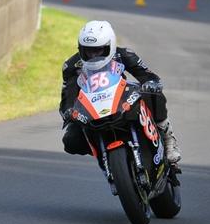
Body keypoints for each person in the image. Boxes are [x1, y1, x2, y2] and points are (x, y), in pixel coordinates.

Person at [59, 20, 181, 164]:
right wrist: (68, 112)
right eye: (88, 50)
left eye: (98, 50)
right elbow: (67, 96)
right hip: (90, 109)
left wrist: (151, 84)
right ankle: (103, 154)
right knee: (71, 141)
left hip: (121, 100)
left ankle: (168, 139)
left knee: (153, 95)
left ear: (110, 46)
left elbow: (149, 76)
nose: (93, 55)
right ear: (80, 49)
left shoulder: (125, 55)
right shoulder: (71, 66)